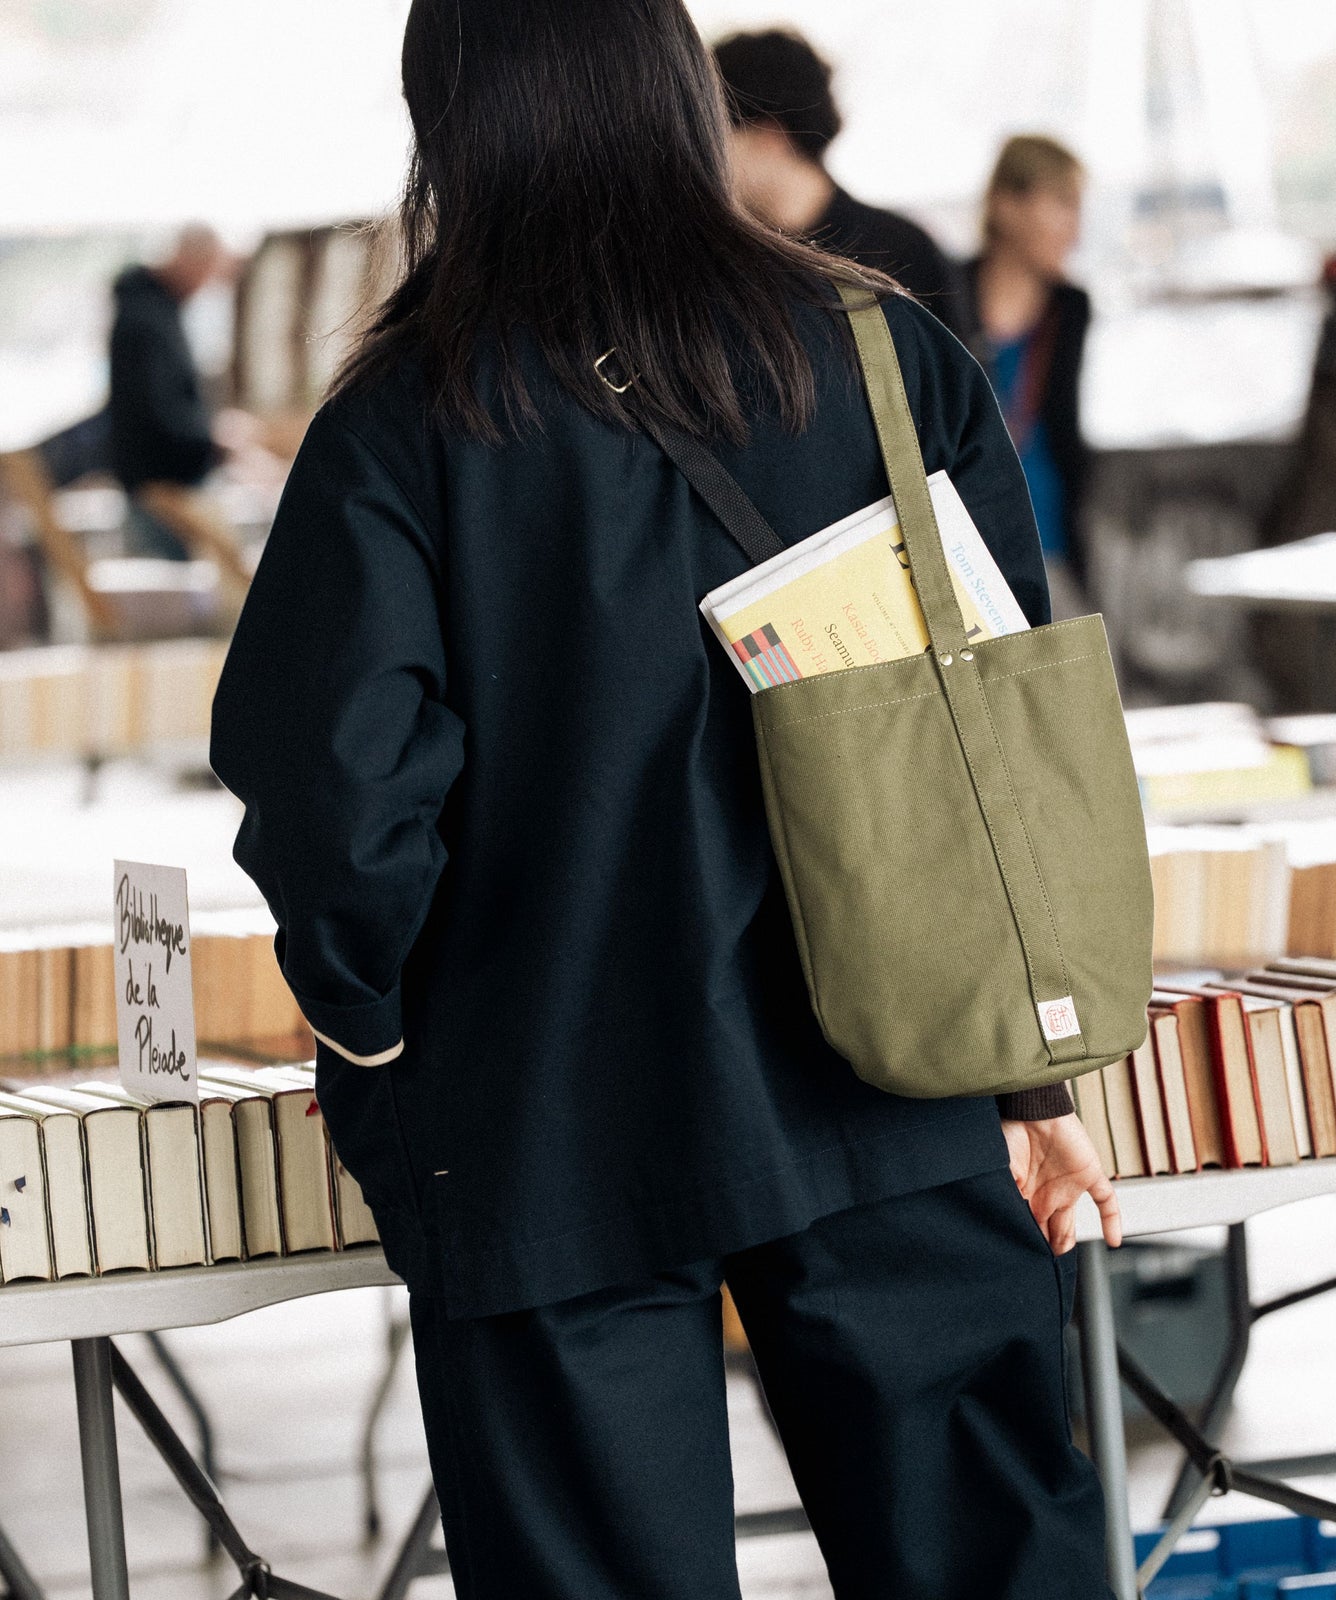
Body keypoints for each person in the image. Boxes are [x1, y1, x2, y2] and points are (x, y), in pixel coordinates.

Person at [210, 3, 1121, 1596]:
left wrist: (366, 1031)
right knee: (991, 1568)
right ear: (682, 96)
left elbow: (337, 792)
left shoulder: (407, 417)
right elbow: (997, 741)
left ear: (450, 124)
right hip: (890, 1085)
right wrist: (1030, 1090)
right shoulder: (883, 350)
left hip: (547, 1111)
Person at [714, 28, 980, 349]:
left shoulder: (903, 255)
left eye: (715, 133)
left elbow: (956, 391)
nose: (701, 153)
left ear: (769, 137)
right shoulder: (721, 258)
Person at [967, 136, 1094, 613]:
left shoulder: (1070, 309)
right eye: (1062, 205)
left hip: (1050, 542)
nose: (1074, 231)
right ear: (1005, 205)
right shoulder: (945, 297)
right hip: (968, 547)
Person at [108, 225, 253, 584]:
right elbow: (158, 412)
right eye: (208, 272)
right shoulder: (146, 320)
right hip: (160, 490)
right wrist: (213, 439)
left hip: (162, 484)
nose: (207, 285)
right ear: (190, 260)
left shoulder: (155, 312)